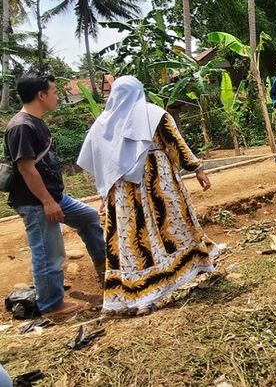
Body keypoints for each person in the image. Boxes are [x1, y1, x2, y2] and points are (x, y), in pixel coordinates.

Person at [77, 76, 216, 315]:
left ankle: (139, 292)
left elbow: (99, 162)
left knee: (134, 238)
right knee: (171, 226)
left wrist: (103, 196)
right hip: (156, 183)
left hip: (121, 192)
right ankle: (183, 271)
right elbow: (175, 143)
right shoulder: (153, 114)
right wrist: (197, 168)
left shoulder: (103, 123)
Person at [3, 73, 106, 317]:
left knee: (89, 217)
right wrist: (48, 202)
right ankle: (51, 305)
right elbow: (26, 168)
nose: (57, 96)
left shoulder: (35, 121)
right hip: (37, 202)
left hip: (54, 197)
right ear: (41, 95)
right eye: (54, 91)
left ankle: (104, 267)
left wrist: (54, 198)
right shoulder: (21, 126)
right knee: (49, 251)